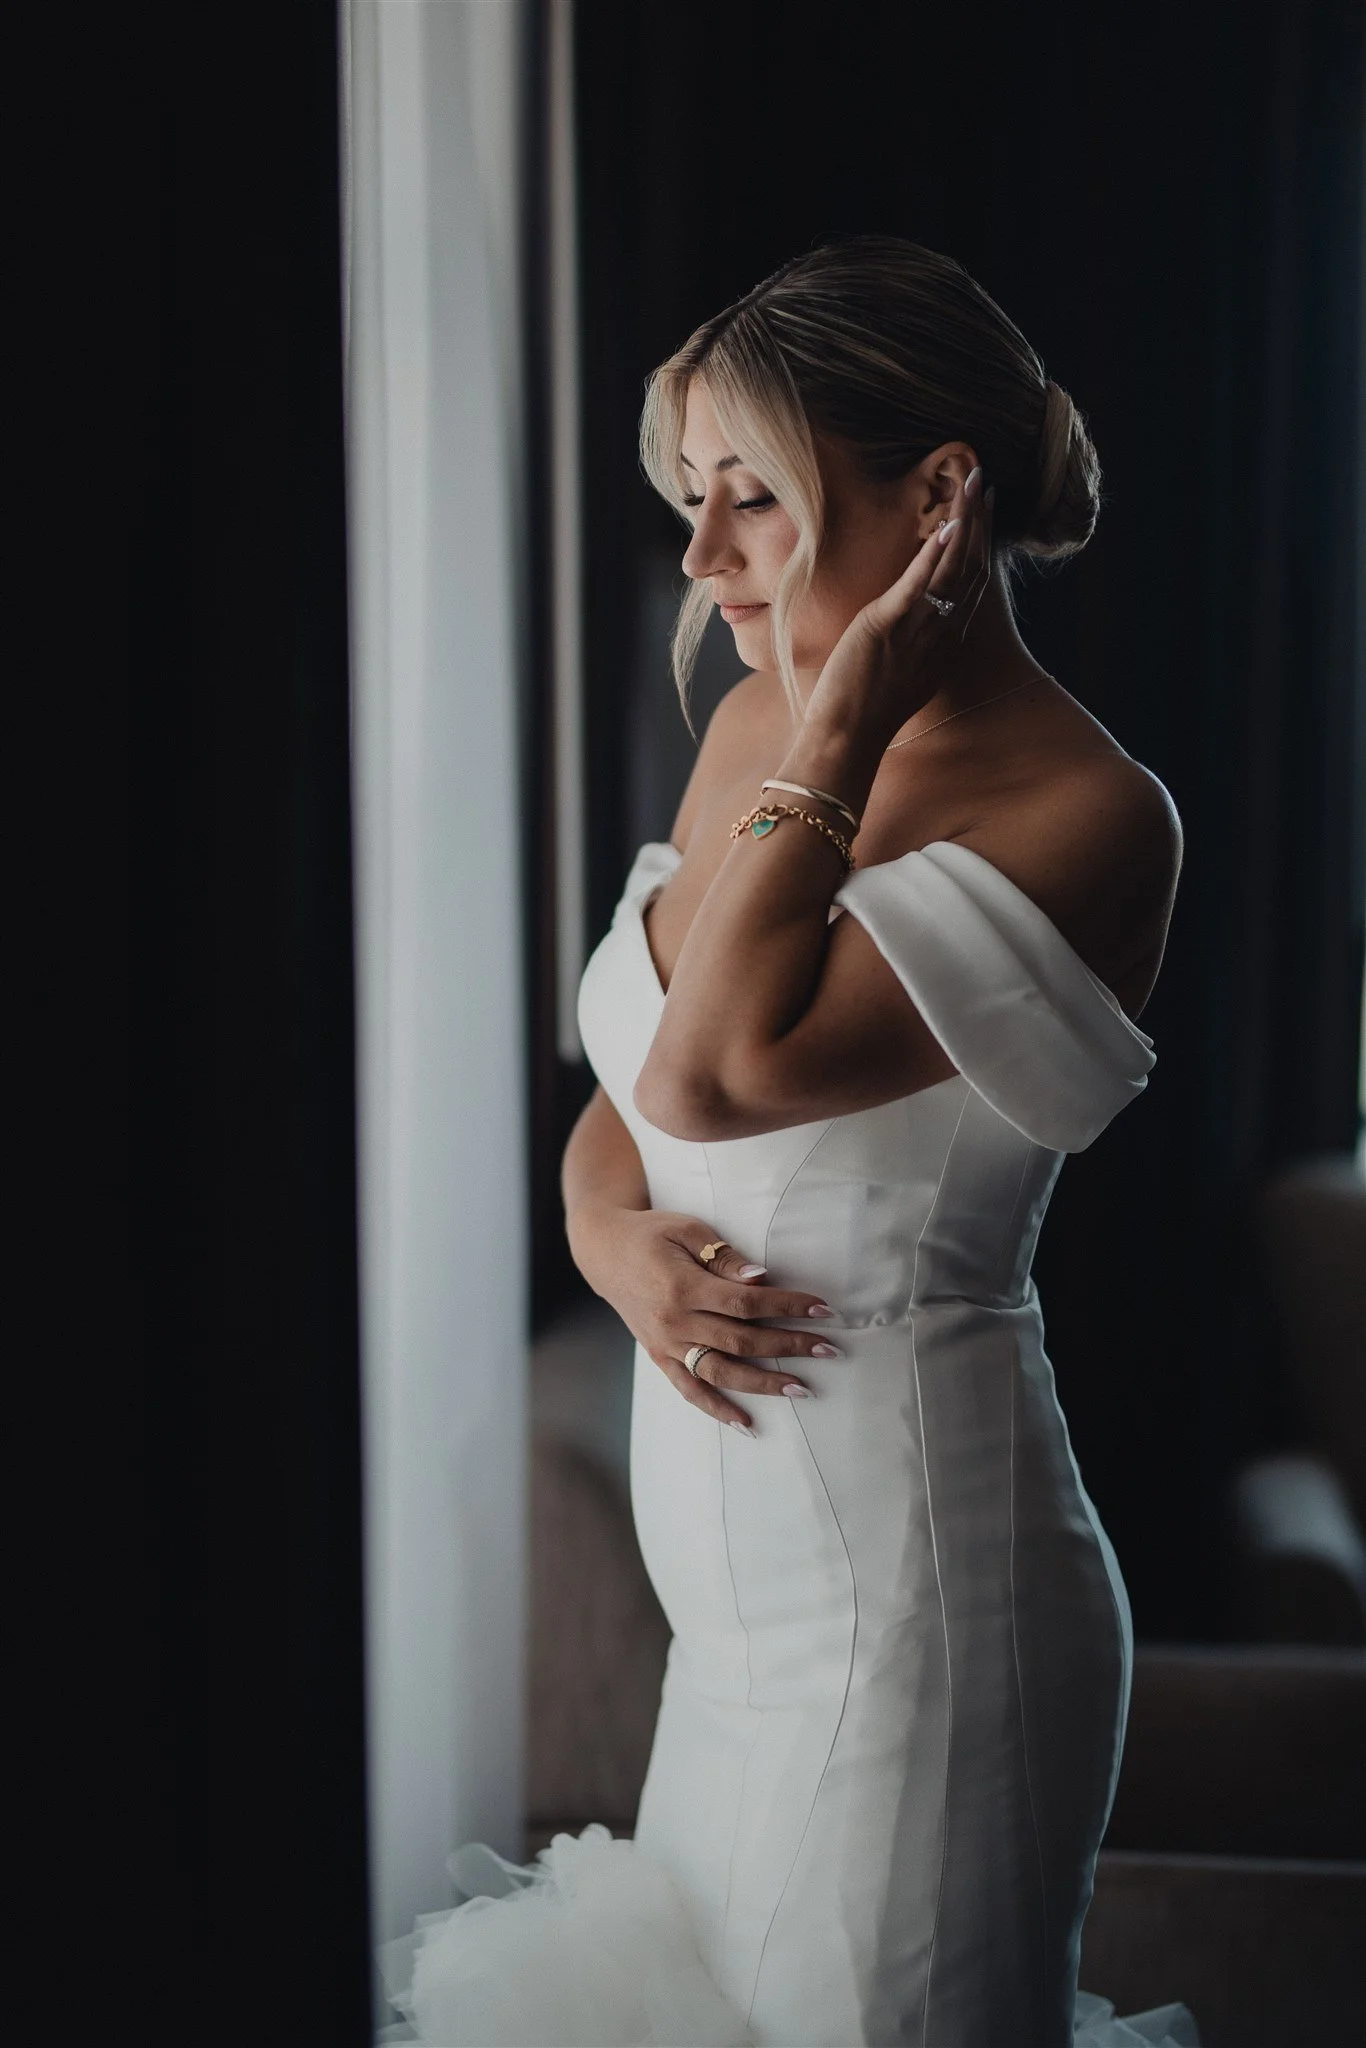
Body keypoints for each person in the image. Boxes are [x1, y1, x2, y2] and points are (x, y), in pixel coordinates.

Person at [381, 238, 1199, 2048]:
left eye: (752, 498)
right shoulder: (752, 717)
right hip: (737, 1635)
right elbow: (629, 1101)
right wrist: (607, 1245)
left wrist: (839, 723)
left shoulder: (1086, 813)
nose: (700, 557)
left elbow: (719, 1078)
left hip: (918, 1604)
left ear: (936, 499)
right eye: (692, 499)